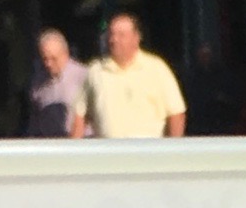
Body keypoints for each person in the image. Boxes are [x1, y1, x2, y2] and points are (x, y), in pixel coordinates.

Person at [82, 10, 186, 138]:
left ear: (136, 38)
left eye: (121, 35)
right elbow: (80, 114)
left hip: (148, 148)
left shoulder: (156, 69)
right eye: (111, 34)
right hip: (108, 149)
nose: (114, 40)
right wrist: (74, 148)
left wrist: (172, 147)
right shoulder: (96, 70)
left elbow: (176, 114)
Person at [25, 26, 87, 138]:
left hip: (81, 142)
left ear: (65, 54)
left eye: (54, 58)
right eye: (45, 58)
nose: (48, 64)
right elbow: (34, 119)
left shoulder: (83, 77)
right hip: (49, 143)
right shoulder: (38, 81)